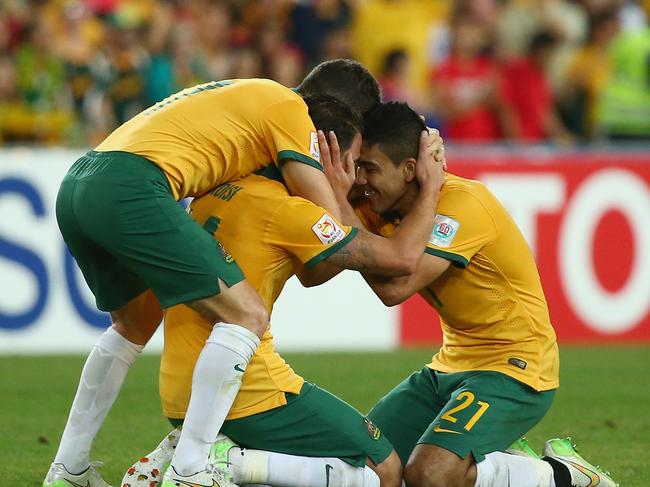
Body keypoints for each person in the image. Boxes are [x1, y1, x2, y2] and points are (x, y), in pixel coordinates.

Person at [44, 59, 383, 487]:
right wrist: (338, 184)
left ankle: (68, 469)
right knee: (246, 315)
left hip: (81, 180)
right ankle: (192, 469)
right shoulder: (290, 110)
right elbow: (331, 231)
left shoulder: (251, 93)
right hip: (132, 185)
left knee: (134, 322)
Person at [121, 98, 445, 487]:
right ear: (324, 152)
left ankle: (196, 454)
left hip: (180, 389)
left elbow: (314, 273)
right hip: (248, 392)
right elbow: (400, 259)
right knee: (383, 467)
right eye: (353, 162)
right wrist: (430, 186)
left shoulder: (221, 188)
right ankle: (224, 461)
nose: (357, 177)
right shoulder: (288, 213)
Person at [327, 102, 616, 487]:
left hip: (514, 367)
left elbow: (394, 289)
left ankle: (559, 473)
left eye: (371, 168)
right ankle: (503, 459)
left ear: (410, 170)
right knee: (365, 465)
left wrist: (344, 212)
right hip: (449, 366)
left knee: (428, 475)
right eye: (358, 166)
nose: (361, 179)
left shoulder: (463, 206)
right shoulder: (376, 203)